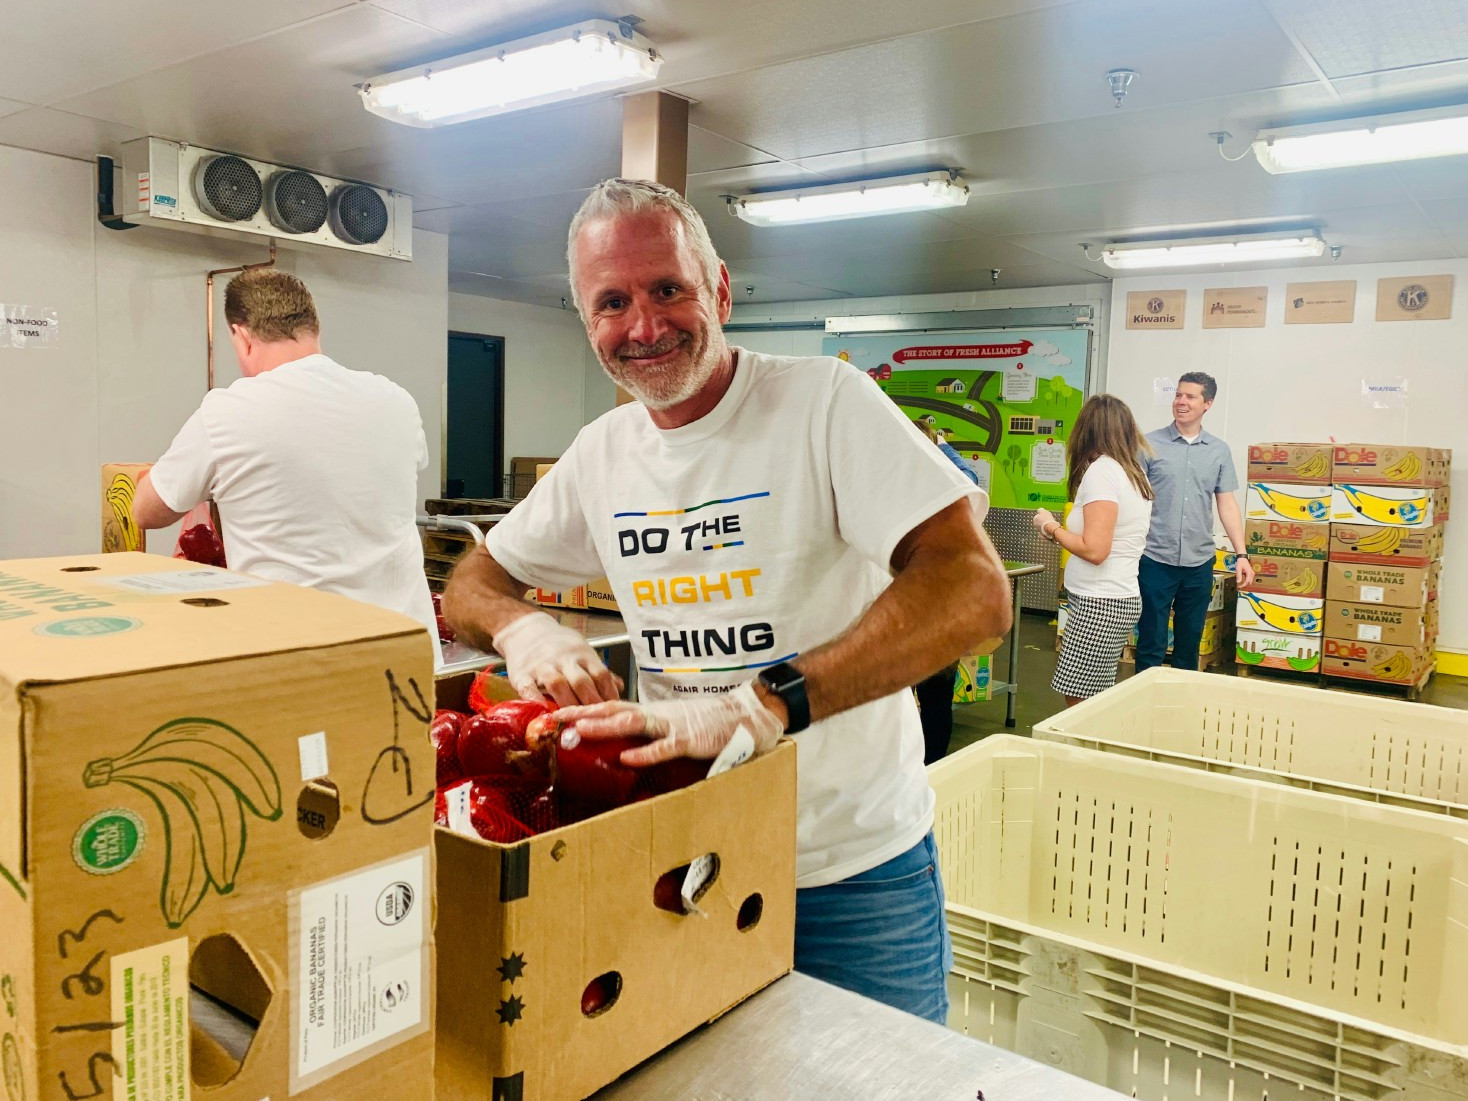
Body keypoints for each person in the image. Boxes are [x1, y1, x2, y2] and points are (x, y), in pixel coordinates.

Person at [443, 178, 1012, 1023]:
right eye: (612, 302)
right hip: (685, 858)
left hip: (848, 871)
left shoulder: (822, 403)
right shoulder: (603, 454)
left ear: (719, 290)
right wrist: (522, 626)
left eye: (668, 288)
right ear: (587, 321)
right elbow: (470, 583)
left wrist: (764, 704)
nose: (644, 325)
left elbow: (975, 592)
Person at [132, 268, 440, 660]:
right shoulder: (395, 400)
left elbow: (147, 512)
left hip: (303, 655)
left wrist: (151, 476)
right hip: (406, 650)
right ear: (315, 329)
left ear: (241, 337)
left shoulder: (229, 411)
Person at [1031, 395, 1154, 705]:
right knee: (1094, 696)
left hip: (1099, 604)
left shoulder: (1102, 473)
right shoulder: (1132, 473)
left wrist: (1051, 527)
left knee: (1080, 701)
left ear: (1087, 430)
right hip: (1117, 598)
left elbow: (1096, 550)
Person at [1135, 372, 1256, 671]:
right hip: (1154, 558)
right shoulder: (1148, 445)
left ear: (1208, 404)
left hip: (1198, 563)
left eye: (1190, 396)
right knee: (1151, 642)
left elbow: (1226, 504)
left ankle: (1180, 708)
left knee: (1189, 645)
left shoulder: (1219, 450)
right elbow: (1132, 499)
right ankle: (1145, 705)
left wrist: (1242, 555)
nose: (1181, 402)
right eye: (1178, 395)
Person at [910, 420, 979, 761]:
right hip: (939, 602)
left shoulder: (891, 481)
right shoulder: (949, 486)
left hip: (902, 601)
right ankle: (933, 765)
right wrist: (943, 447)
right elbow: (970, 479)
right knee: (937, 696)